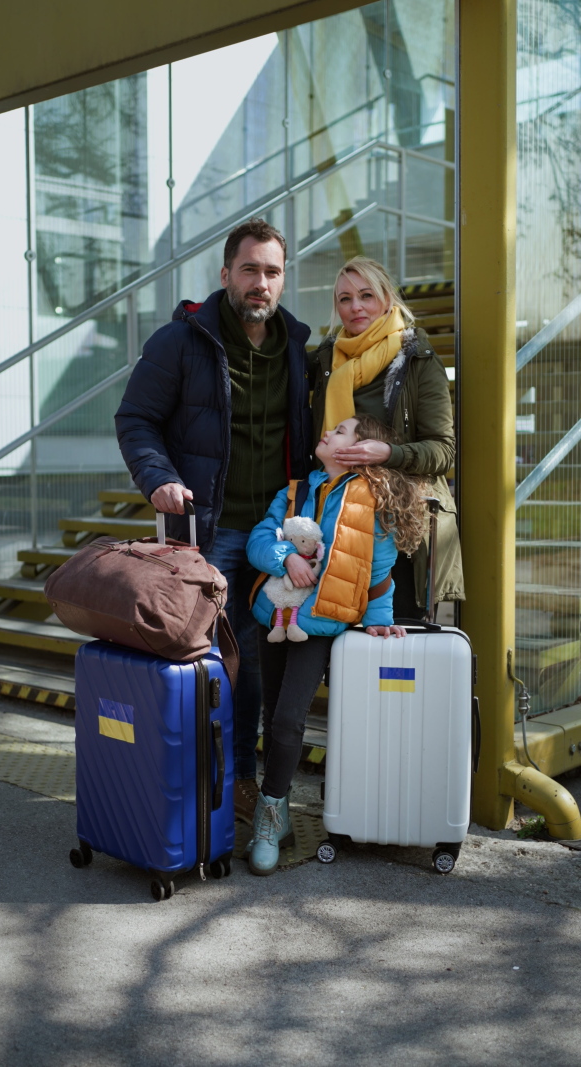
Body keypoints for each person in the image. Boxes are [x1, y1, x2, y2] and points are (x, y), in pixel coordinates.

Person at [115, 217, 311, 824]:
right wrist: (159, 478)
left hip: (273, 537)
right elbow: (135, 419)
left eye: (272, 272)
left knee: (253, 664)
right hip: (206, 531)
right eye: (249, 269)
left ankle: (242, 782)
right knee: (200, 657)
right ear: (225, 274)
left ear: (283, 280)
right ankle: (192, 782)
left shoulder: (299, 347)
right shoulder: (182, 341)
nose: (261, 282)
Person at [245, 413, 427, 875]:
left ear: (359, 449)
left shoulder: (373, 501)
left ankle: (268, 816)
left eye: (341, 431)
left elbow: (378, 573)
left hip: (322, 626)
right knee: (271, 715)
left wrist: (379, 622)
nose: (327, 432)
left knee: (288, 719)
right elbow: (261, 538)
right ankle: (279, 813)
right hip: (273, 616)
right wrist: (286, 559)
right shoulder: (294, 492)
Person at [310, 256, 464, 619]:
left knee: (395, 658)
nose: (355, 306)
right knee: (340, 654)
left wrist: (388, 453)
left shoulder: (418, 360)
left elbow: (443, 451)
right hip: (336, 527)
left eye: (366, 295)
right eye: (344, 299)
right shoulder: (325, 362)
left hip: (399, 530)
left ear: (387, 300)